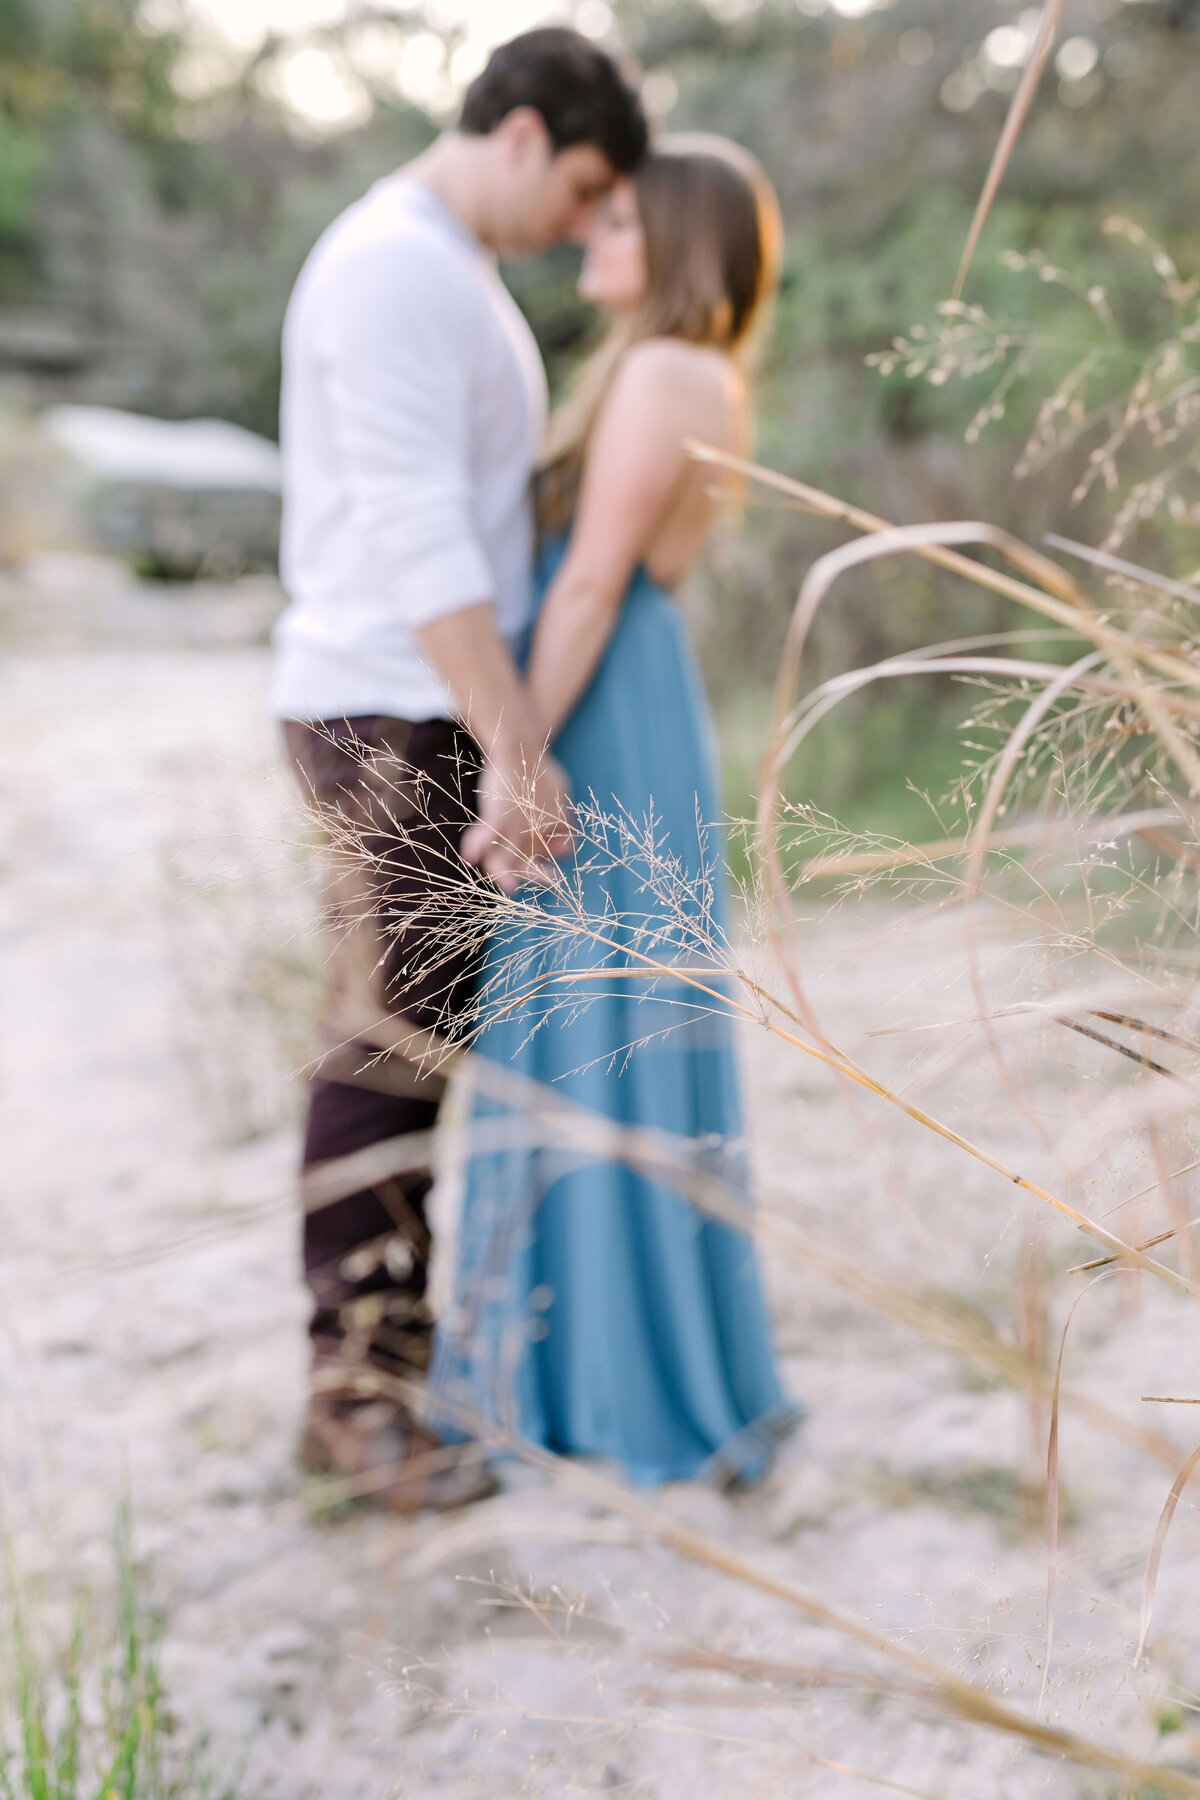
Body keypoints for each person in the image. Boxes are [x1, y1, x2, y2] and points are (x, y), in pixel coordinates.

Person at [273, 29, 648, 1511]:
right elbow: (425, 540)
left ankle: (379, 1373)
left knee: (413, 1054)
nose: (582, 223)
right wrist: (509, 741)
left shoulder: (447, 269)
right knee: (385, 1053)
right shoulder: (395, 268)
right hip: (391, 710)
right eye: (584, 186)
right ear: (524, 135)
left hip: (410, 702)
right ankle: (355, 1399)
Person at [431, 137, 800, 1488]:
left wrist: (512, 757)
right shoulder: (688, 372)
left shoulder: (661, 371)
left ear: (683, 242)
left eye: (621, 219)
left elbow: (587, 586)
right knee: (605, 1035)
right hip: (635, 703)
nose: (591, 231)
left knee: (594, 1038)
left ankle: (593, 1390)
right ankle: (603, 1362)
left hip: (604, 714)